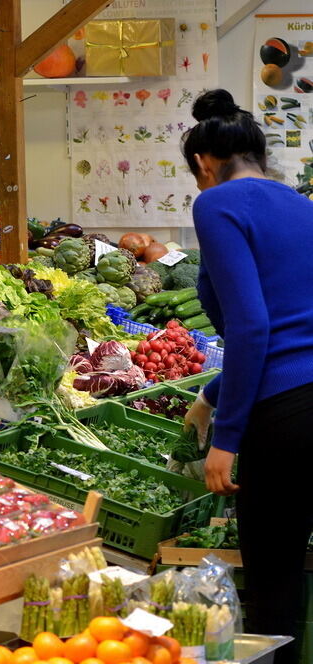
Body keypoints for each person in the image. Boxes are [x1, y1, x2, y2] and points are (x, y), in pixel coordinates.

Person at [181, 89, 313, 663]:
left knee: (274, 585)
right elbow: (296, 322)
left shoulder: (216, 205)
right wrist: (212, 392)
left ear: (205, 164)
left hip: (284, 418)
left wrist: (226, 439)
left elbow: (254, 327)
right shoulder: (303, 206)